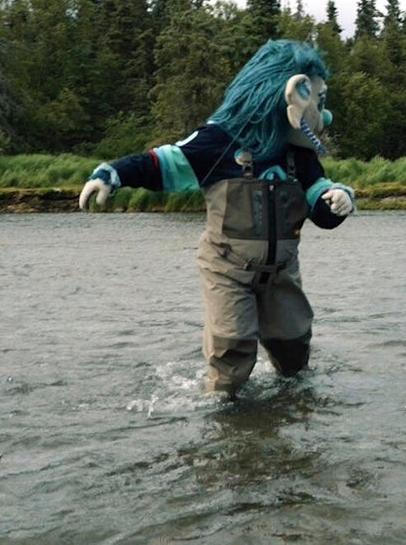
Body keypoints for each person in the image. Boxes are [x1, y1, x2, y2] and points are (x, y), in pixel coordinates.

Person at [78, 39, 356, 398]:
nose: (324, 115)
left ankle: (294, 403)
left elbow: (319, 200)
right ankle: (221, 408)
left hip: (282, 271)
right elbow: (165, 163)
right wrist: (113, 174)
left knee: (294, 346)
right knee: (233, 346)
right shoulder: (218, 141)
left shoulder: (298, 153)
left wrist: (336, 200)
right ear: (290, 92)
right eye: (318, 101)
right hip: (227, 268)